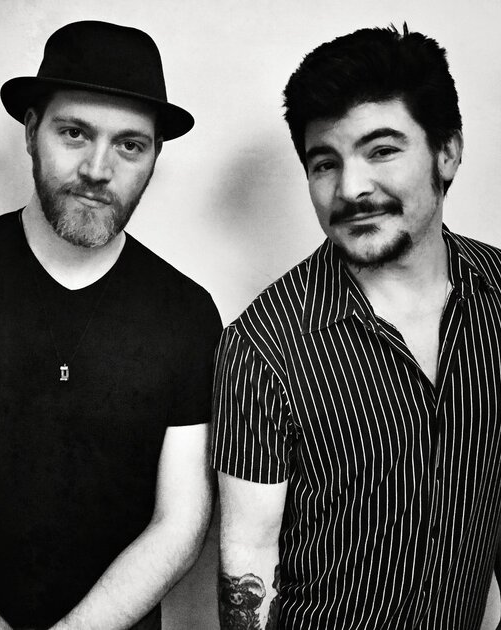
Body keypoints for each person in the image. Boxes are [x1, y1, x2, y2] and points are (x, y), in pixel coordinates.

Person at [0, 20, 222, 630]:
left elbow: (180, 523)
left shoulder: (187, 314)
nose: (98, 168)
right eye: (74, 132)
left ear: (155, 157)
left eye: (130, 145)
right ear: (31, 132)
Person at [212, 24, 501, 630]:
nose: (351, 188)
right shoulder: (261, 345)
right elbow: (249, 559)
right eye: (325, 163)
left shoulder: (498, 291)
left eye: (382, 150)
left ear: (447, 152)